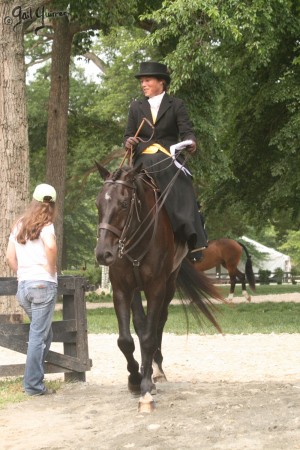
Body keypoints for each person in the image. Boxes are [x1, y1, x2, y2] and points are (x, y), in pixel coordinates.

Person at [124, 61, 207, 259]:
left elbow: (187, 130)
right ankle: (119, 236)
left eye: (147, 80)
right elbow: (127, 134)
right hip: (143, 157)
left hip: (168, 156)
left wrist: (191, 142)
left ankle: (193, 238)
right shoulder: (136, 107)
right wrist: (129, 141)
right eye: (142, 81)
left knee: (186, 184)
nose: (143, 84)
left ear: (161, 82)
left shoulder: (176, 104)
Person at [6, 183, 58, 396]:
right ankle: (33, 385)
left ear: (33, 201)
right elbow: (52, 248)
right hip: (43, 285)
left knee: (45, 333)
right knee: (38, 336)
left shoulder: (18, 225)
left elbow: (10, 256)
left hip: (25, 288)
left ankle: (34, 377)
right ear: (52, 204)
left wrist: (23, 273)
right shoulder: (47, 226)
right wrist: (50, 270)